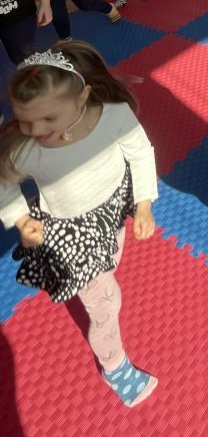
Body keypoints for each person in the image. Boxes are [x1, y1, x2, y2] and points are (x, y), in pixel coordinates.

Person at [0, 42, 159, 407]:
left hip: (112, 213)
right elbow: (4, 183)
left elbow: (140, 152)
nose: (35, 129)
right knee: (106, 304)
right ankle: (115, 367)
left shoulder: (114, 116)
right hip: (72, 237)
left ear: (83, 97)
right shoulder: (27, 149)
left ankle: (102, 278)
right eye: (24, 119)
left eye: (48, 119)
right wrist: (21, 218)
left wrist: (144, 204)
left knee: (111, 262)